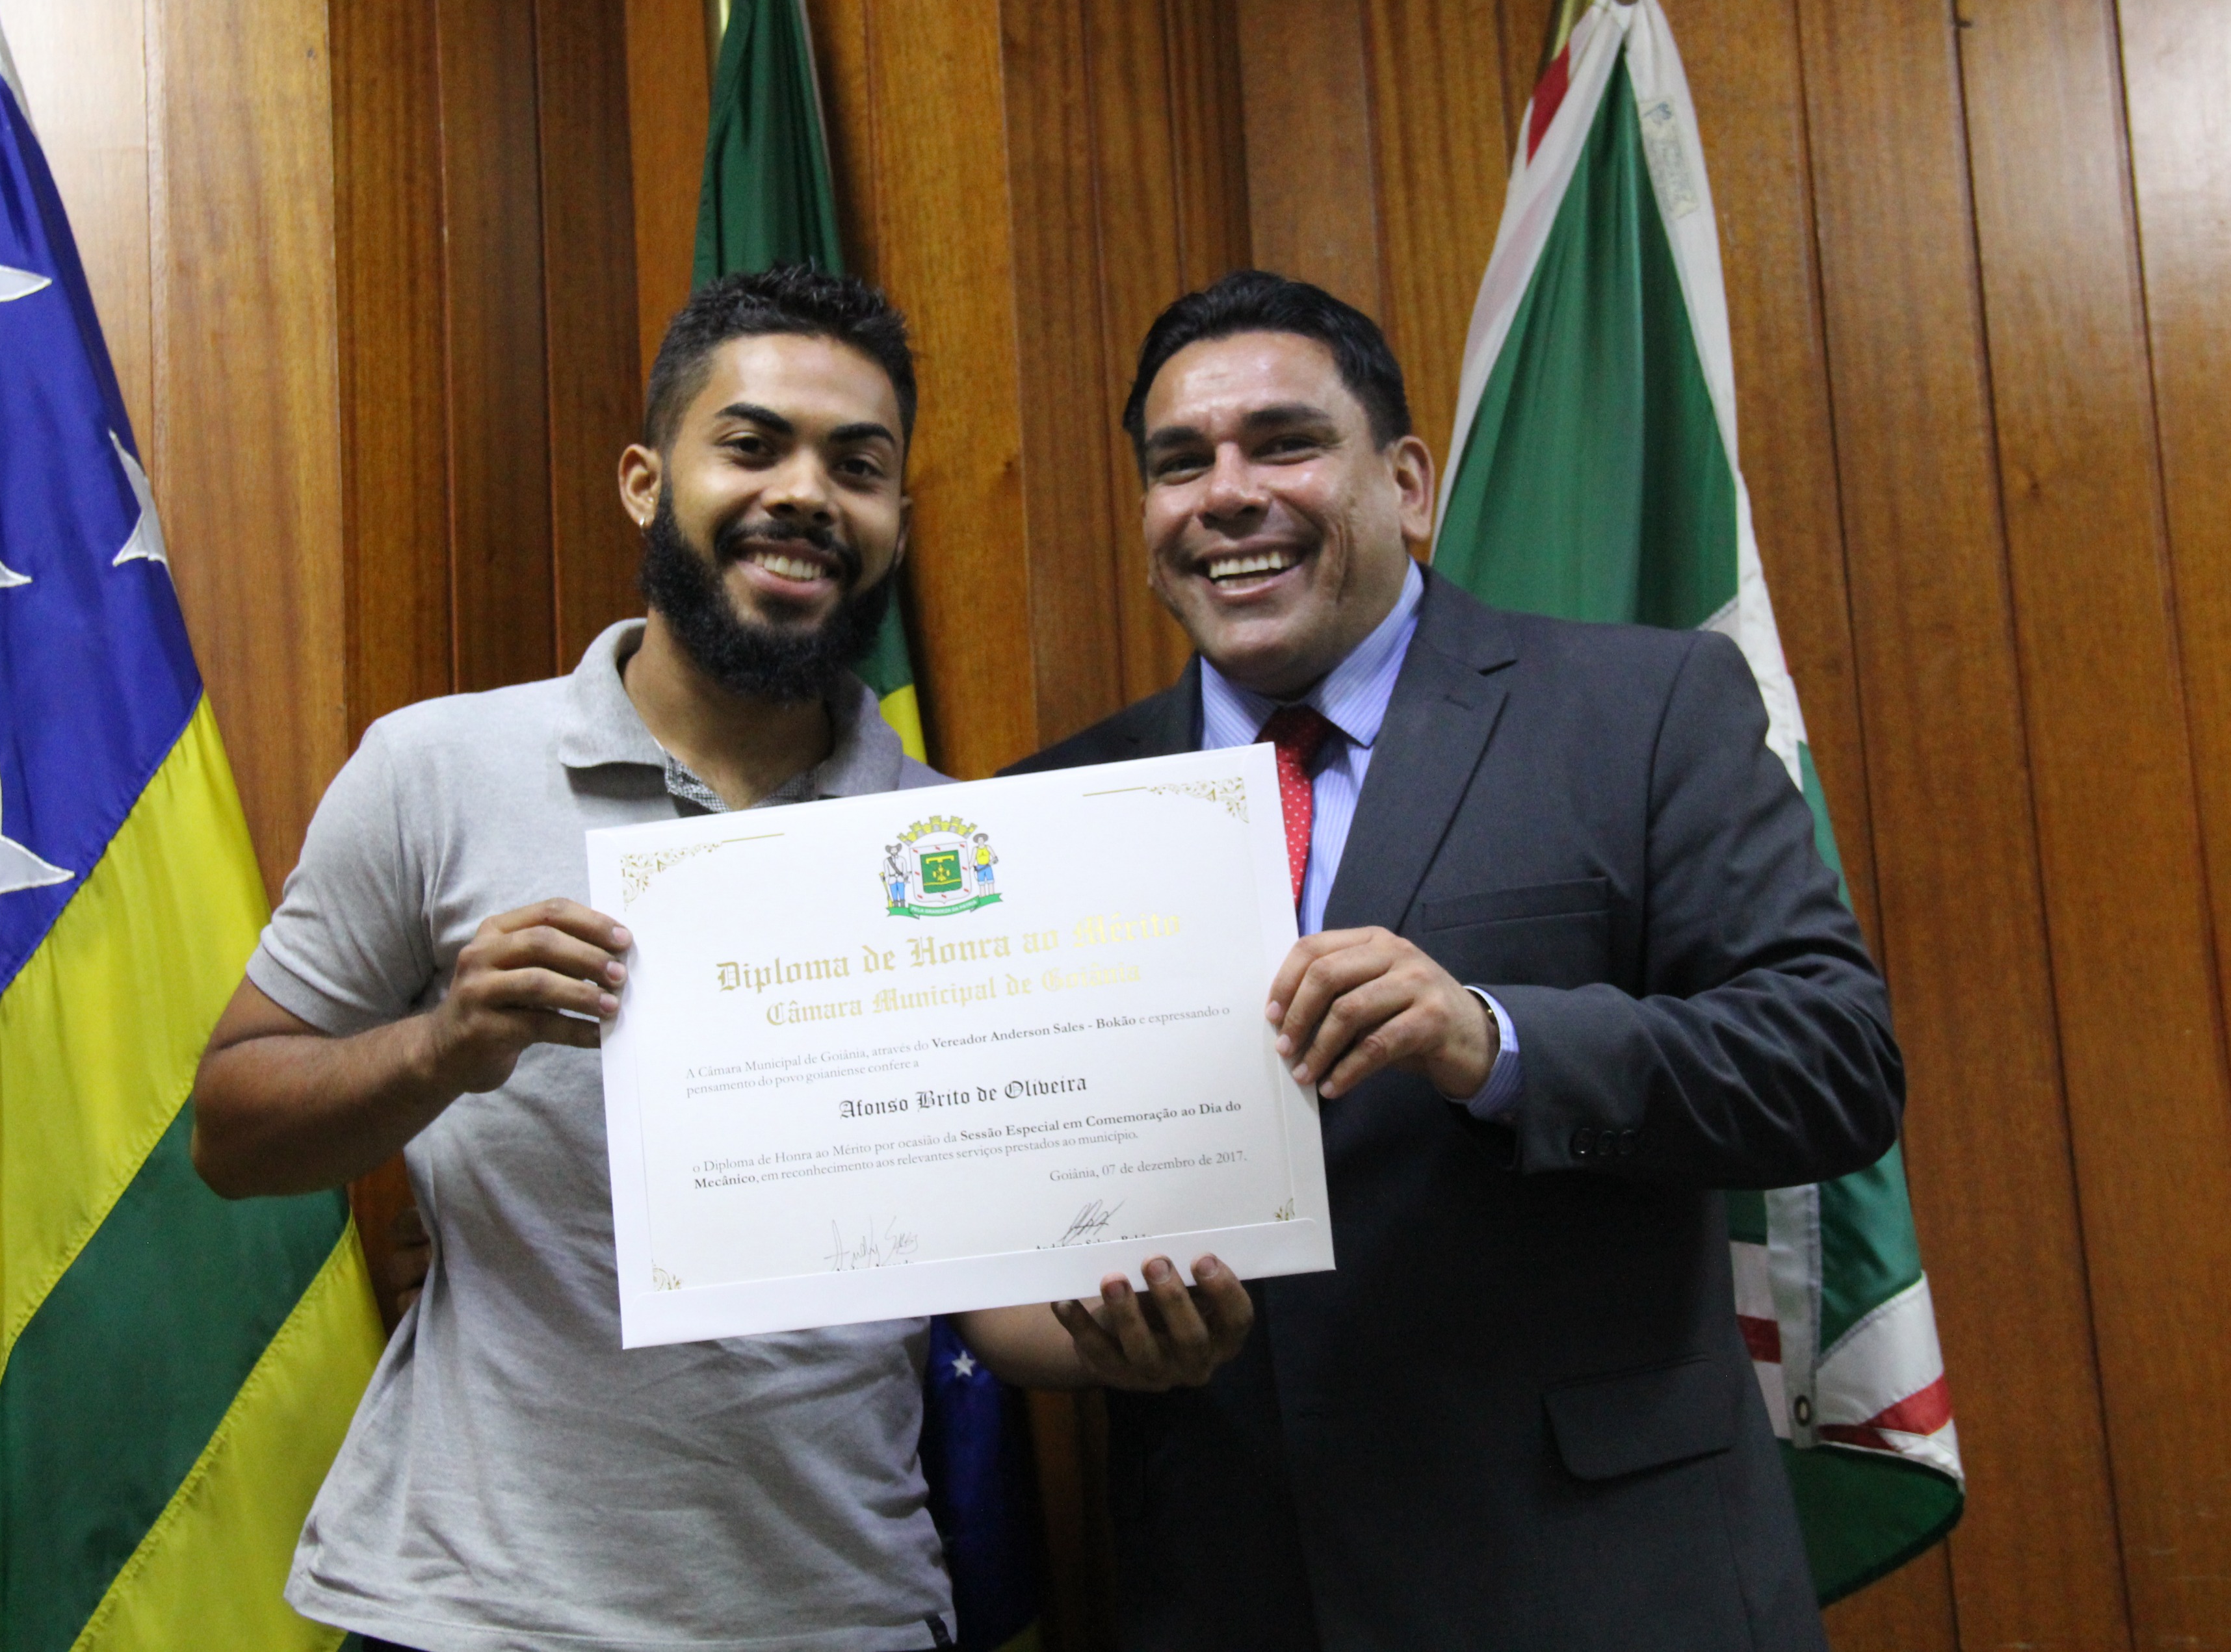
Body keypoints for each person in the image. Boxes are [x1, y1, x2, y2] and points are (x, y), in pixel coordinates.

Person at [189, 266, 1248, 1652]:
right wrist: (444, 1046)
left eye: (856, 466)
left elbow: (994, 1304)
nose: (804, 492)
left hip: (842, 1609)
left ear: (897, 523)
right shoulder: (436, 769)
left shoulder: (956, 850)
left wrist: (1133, 1342)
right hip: (471, 1609)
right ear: (646, 482)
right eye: (751, 445)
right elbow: (231, 1133)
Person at [998, 270, 1905, 1650]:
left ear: (1409, 484)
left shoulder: (1639, 707)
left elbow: (1833, 1064)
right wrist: (1102, 1332)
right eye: (1180, 464)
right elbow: (1014, 1216)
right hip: (1240, 1587)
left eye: (1284, 443)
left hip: (1597, 1580)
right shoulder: (1048, 810)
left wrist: (1496, 1040)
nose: (1227, 494)